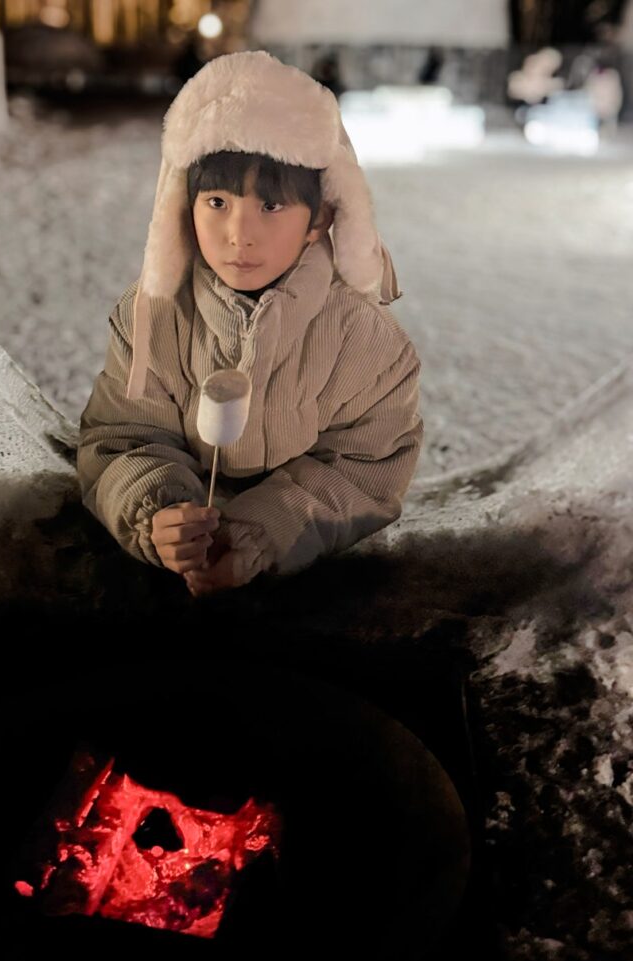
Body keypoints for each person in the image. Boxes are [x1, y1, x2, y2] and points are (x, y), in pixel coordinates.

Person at [77, 50, 424, 598]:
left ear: (319, 219)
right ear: (183, 206)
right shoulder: (153, 318)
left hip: (306, 575)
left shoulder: (365, 341)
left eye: (271, 207)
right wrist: (159, 514)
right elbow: (124, 436)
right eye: (217, 201)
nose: (239, 234)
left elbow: (366, 465)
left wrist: (260, 534)